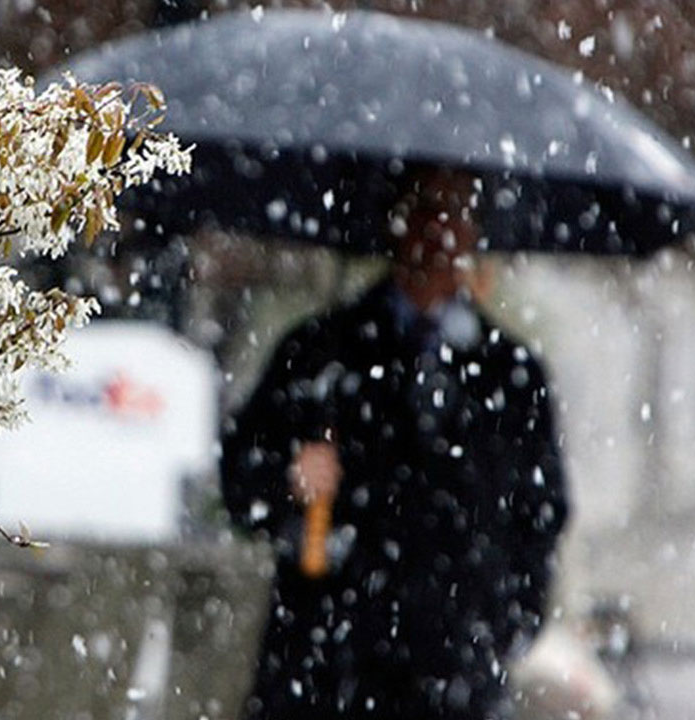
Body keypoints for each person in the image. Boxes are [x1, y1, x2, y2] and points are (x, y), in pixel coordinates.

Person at [220, 169, 569, 719]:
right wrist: (289, 477)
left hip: (456, 671)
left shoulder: (511, 374)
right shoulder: (318, 353)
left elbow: (541, 513)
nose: (438, 229)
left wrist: (503, 623)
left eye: (455, 210)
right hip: (324, 666)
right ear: (394, 222)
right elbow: (240, 481)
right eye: (424, 208)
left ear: (476, 231)